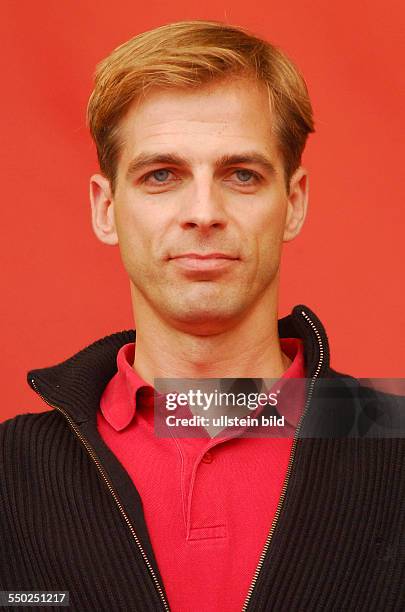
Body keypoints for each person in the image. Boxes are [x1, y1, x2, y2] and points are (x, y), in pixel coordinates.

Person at [1, 20, 404, 612]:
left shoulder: (393, 446)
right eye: (161, 175)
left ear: (293, 205)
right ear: (106, 209)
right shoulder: (11, 474)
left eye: (242, 175)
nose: (203, 212)